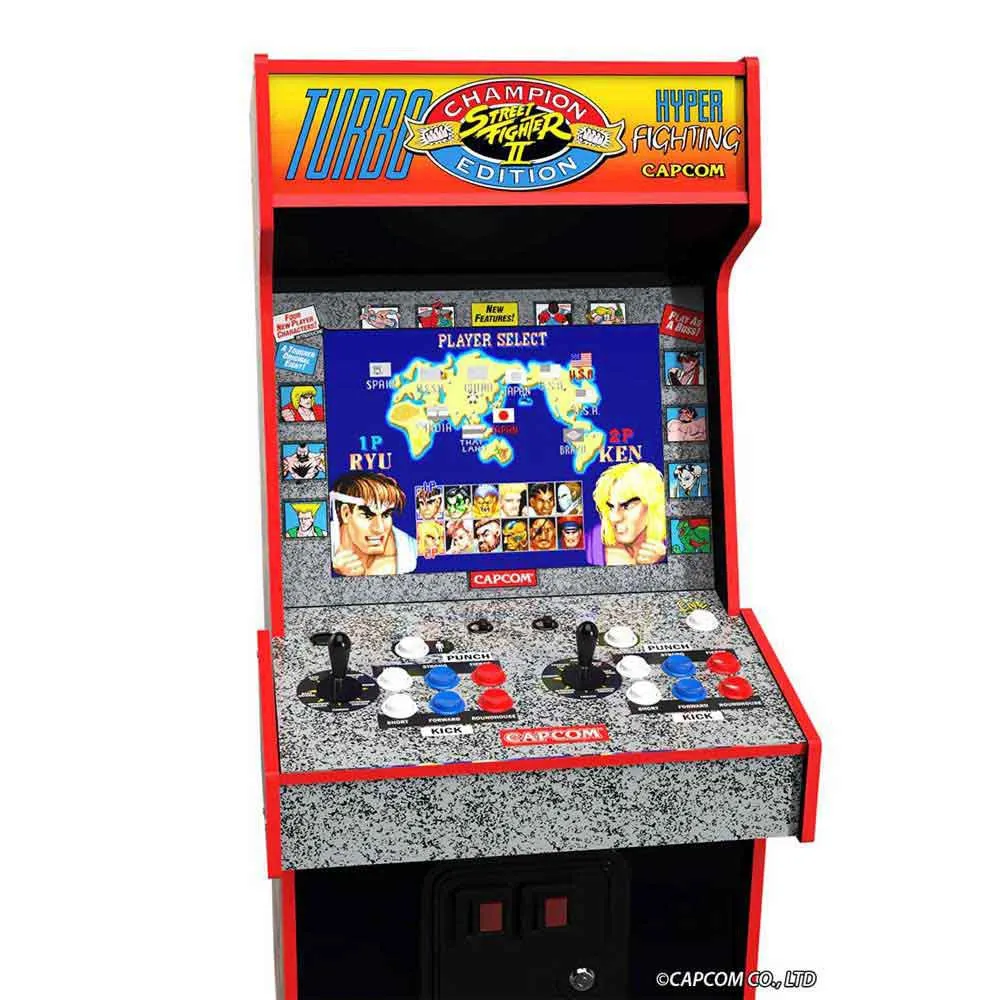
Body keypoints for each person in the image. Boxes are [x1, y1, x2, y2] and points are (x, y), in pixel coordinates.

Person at [330, 472, 416, 576]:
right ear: (346, 514)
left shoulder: (408, 555)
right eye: (367, 516)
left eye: (386, 514)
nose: (379, 528)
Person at [585, 462, 667, 566]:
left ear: (652, 505)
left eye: (627, 506)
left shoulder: (674, 539)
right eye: (610, 507)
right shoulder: (590, 544)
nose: (614, 517)